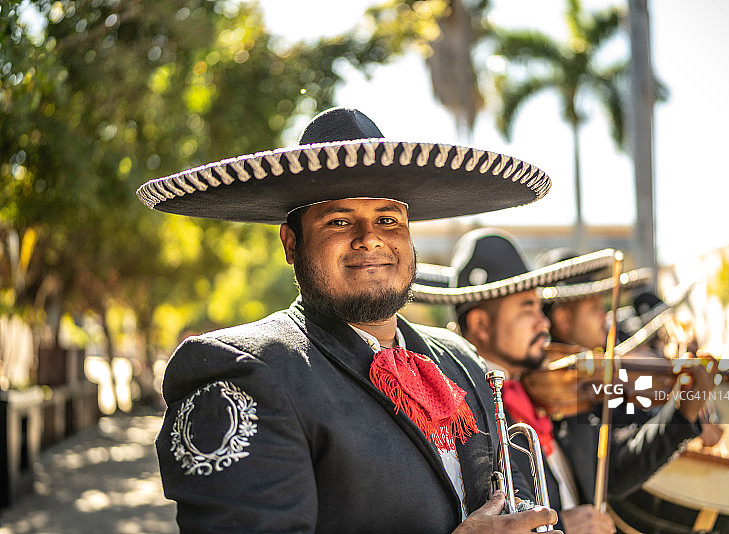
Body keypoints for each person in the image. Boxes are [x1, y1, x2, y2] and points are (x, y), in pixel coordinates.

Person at [136, 108, 560, 533]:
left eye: (388, 219)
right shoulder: (235, 372)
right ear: (291, 244)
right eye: (339, 221)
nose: (369, 237)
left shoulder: (463, 362)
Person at [412, 228, 716, 534]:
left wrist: (681, 414)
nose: (543, 321)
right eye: (527, 307)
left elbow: (609, 475)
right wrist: (563, 524)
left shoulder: (549, 389)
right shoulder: (459, 412)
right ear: (480, 324)